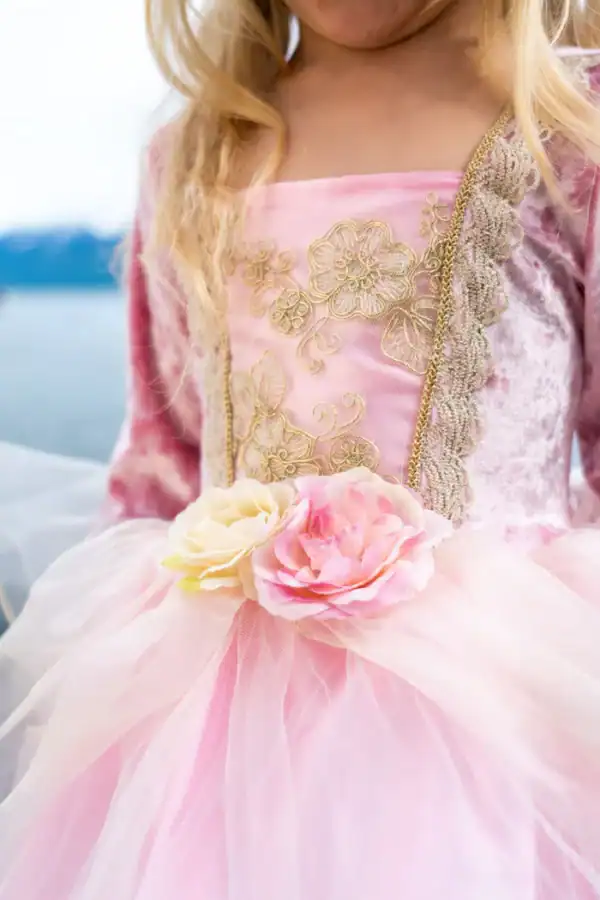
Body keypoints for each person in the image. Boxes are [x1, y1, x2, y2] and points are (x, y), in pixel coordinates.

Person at [2, 0, 600, 896]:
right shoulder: (196, 153)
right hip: (212, 722)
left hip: (490, 715)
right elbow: (162, 470)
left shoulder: (569, 131)